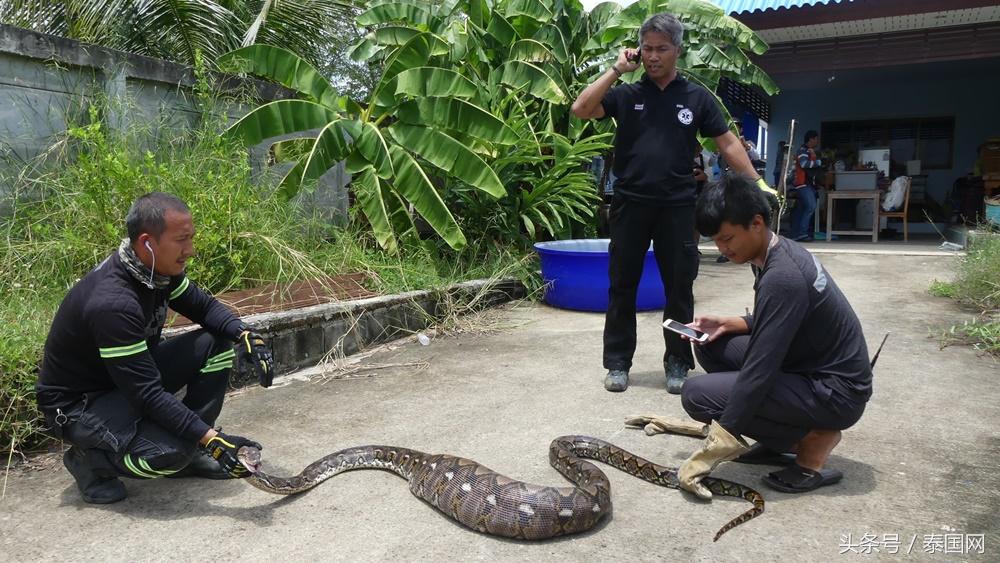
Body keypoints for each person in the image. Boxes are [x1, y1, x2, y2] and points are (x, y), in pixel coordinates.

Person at [570, 12, 778, 394]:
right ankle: (617, 363)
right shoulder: (628, 94)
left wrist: (758, 183)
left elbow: (727, 142)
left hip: (679, 207)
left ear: (677, 51)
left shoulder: (696, 97)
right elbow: (581, 109)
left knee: (679, 288)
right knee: (622, 286)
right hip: (630, 205)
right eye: (646, 48)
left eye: (661, 49)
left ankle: (678, 363)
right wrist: (617, 69)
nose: (652, 56)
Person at [36, 192, 274, 504]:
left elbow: (204, 308)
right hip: (81, 406)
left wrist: (245, 334)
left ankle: (196, 447)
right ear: (147, 242)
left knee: (216, 343)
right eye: (182, 240)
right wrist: (213, 441)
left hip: (123, 383)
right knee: (170, 455)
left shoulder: (156, 272)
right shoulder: (113, 304)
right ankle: (89, 462)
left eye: (191, 238)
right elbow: (146, 394)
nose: (190, 250)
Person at [676, 174, 872, 496]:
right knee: (712, 345)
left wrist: (718, 446)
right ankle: (777, 437)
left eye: (727, 239)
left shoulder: (783, 277)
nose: (722, 249)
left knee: (696, 394)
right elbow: (790, 317)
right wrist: (733, 322)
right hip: (811, 365)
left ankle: (811, 442)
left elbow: (759, 371)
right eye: (716, 242)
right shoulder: (773, 252)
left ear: (756, 223)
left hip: (836, 392)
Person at [789, 130, 823, 242]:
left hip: (807, 184)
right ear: (811, 139)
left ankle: (796, 234)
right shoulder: (802, 151)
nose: (817, 141)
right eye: (816, 138)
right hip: (802, 184)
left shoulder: (808, 150)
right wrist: (818, 162)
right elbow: (804, 164)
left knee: (801, 209)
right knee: (811, 206)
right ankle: (802, 233)